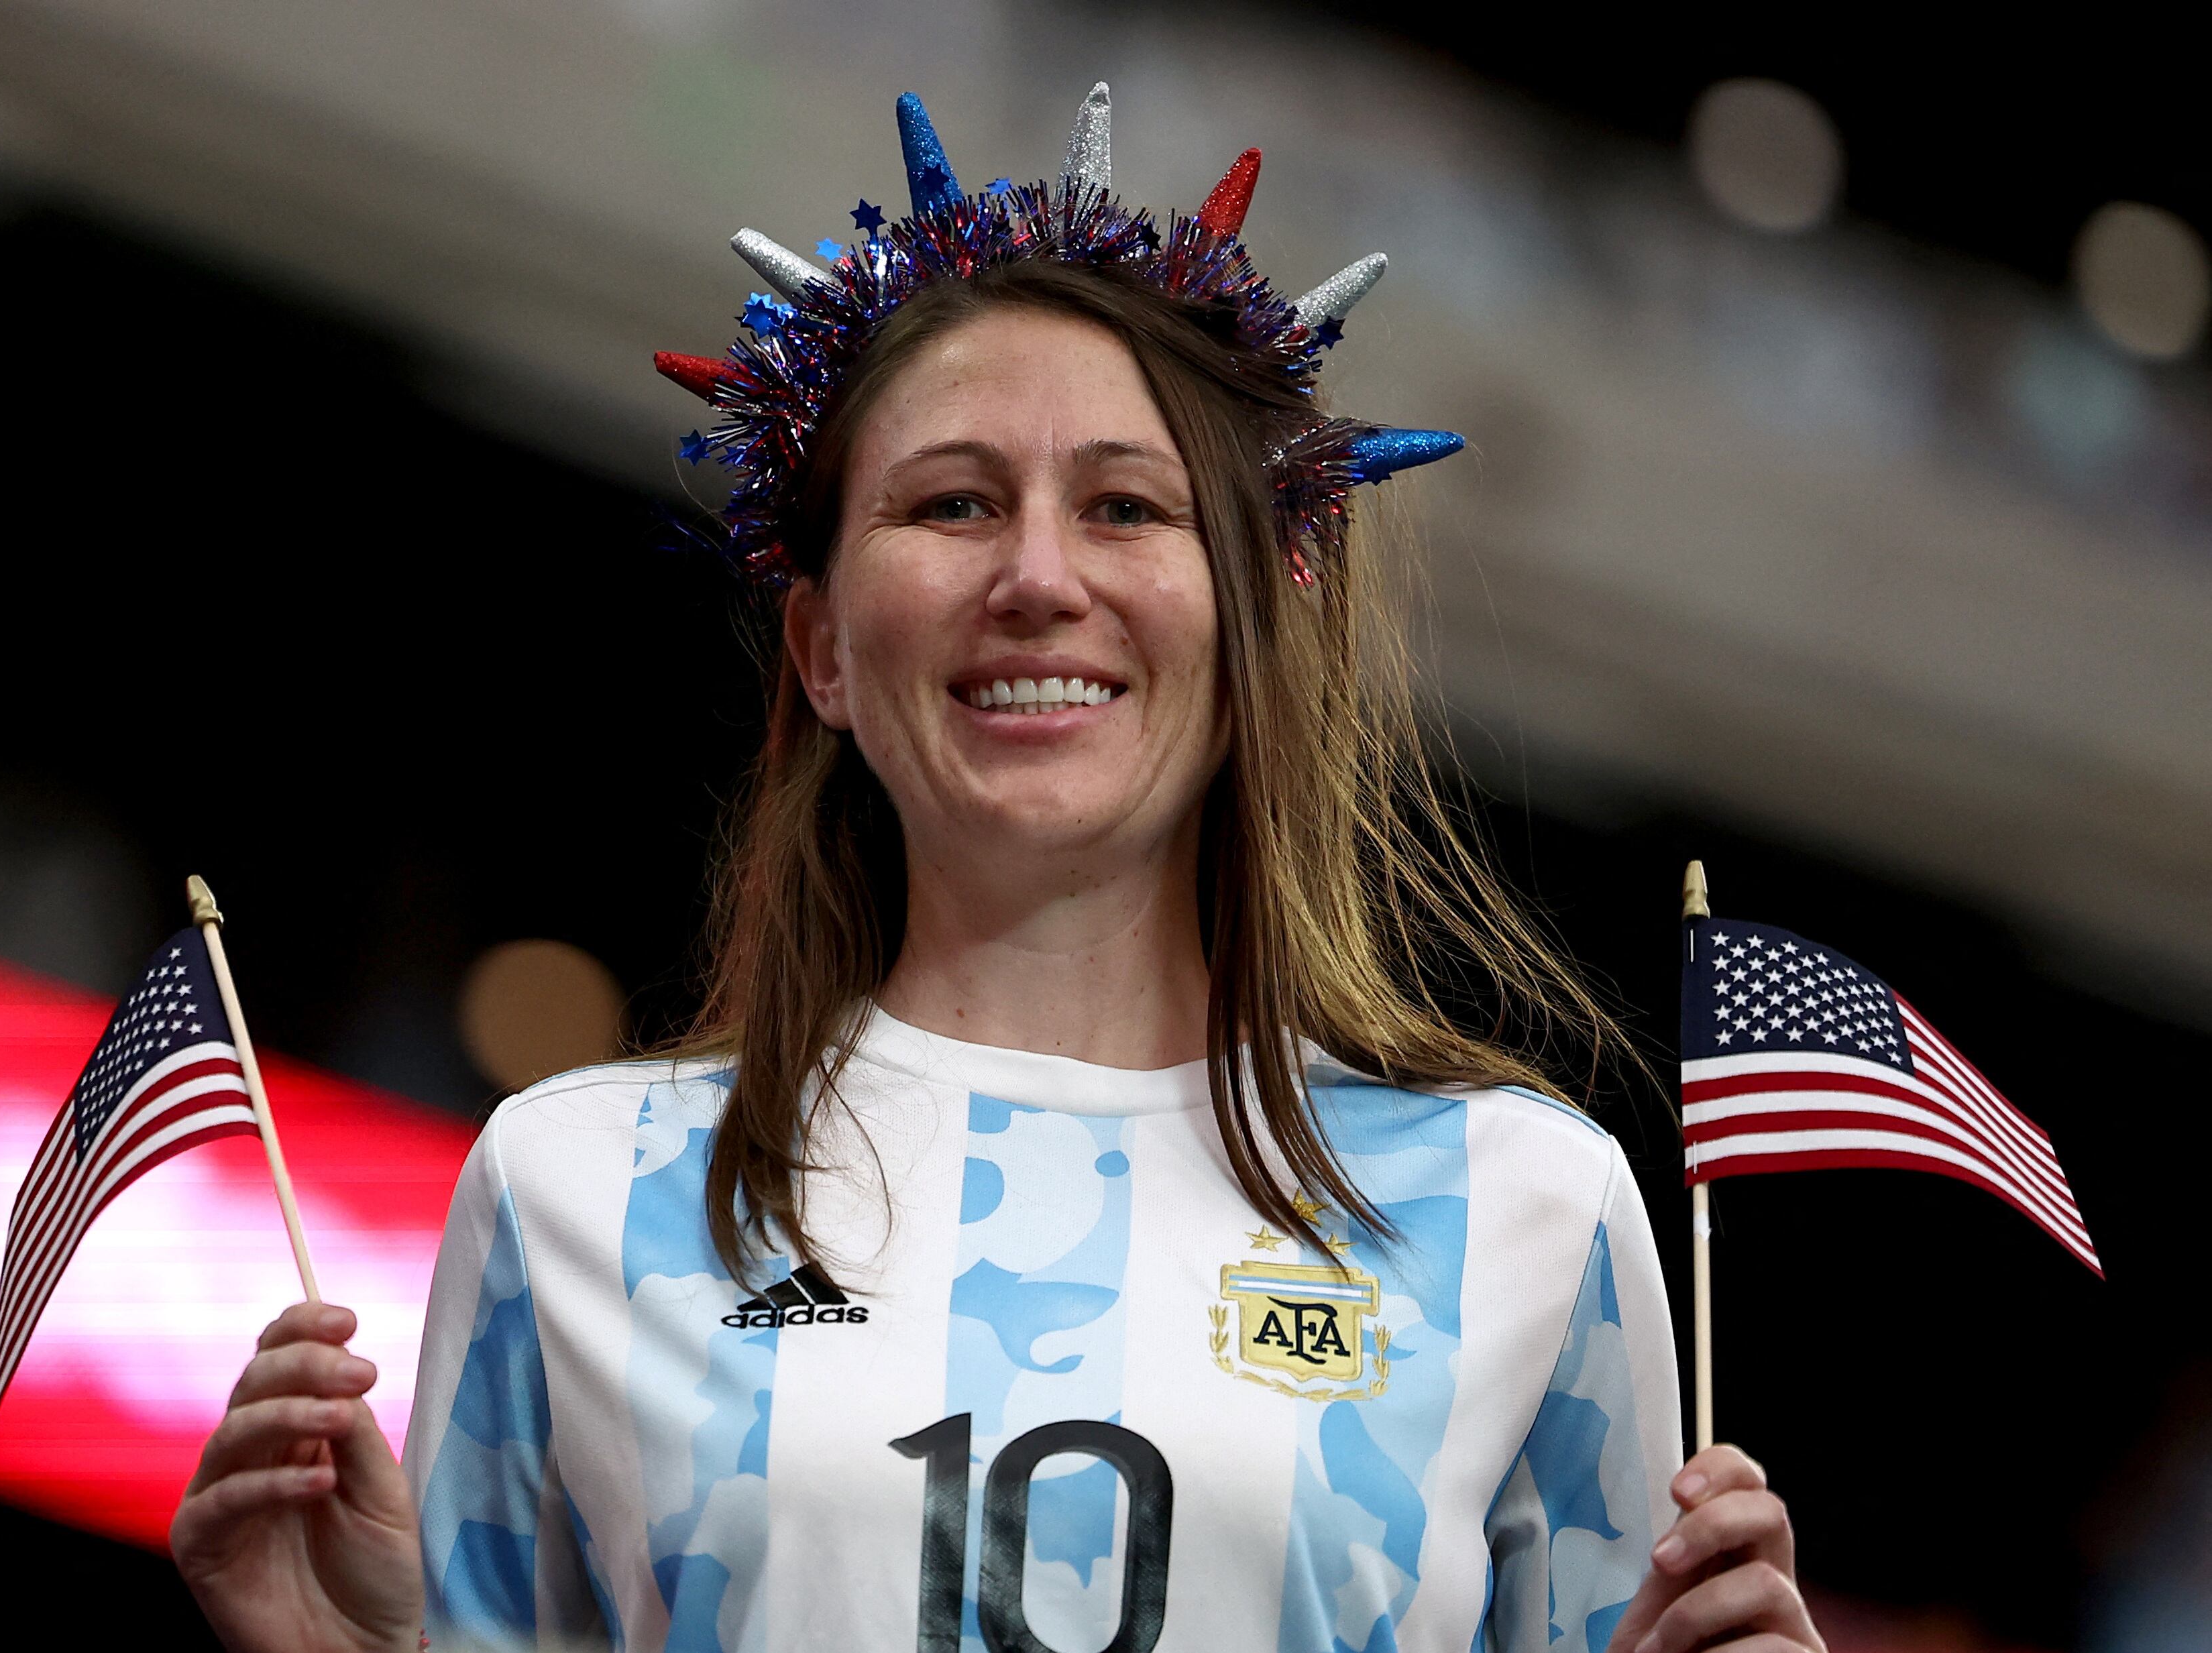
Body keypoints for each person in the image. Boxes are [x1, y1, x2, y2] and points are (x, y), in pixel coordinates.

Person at [171, 87, 1826, 1653]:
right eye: (953, 504)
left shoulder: (1525, 1213)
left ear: (1254, 627)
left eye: (1125, 508)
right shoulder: (575, 1190)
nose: (1037, 578)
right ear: (820, 646)